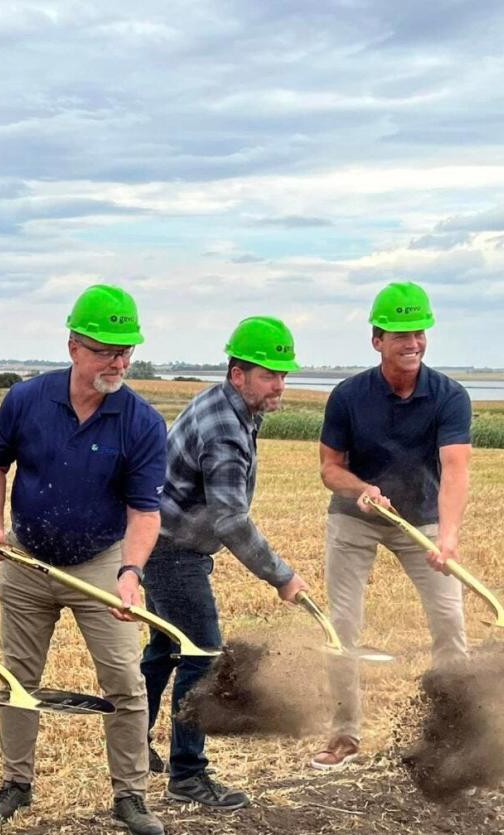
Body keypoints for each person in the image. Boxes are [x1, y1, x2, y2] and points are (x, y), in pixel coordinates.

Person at [0, 285, 168, 835]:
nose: (120, 361)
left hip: (100, 564)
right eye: (107, 349)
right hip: (27, 562)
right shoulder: (26, 401)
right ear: (73, 347)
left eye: (126, 349)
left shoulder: (142, 422)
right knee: (16, 677)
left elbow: (144, 513)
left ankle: (131, 796)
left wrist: (130, 574)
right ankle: (16, 784)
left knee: (125, 684)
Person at [140, 316, 310, 807]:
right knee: (203, 656)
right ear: (238, 374)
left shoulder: (226, 406)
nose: (279, 385)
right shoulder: (225, 434)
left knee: (165, 650)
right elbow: (232, 520)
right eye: (267, 374)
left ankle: (130, 744)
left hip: (159, 542)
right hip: (173, 552)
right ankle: (187, 775)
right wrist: (281, 575)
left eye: (282, 374)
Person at [312, 281, 471, 769]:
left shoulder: (449, 396)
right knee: (343, 624)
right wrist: (360, 489)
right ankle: (344, 735)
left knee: (449, 620)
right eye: (401, 334)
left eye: (419, 333)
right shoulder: (347, 396)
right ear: (377, 340)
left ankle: (457, 730)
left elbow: (455, 470)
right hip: (357, 518)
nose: (413, 343)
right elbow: (328, 469)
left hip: (419, 519)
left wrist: (446, 537)